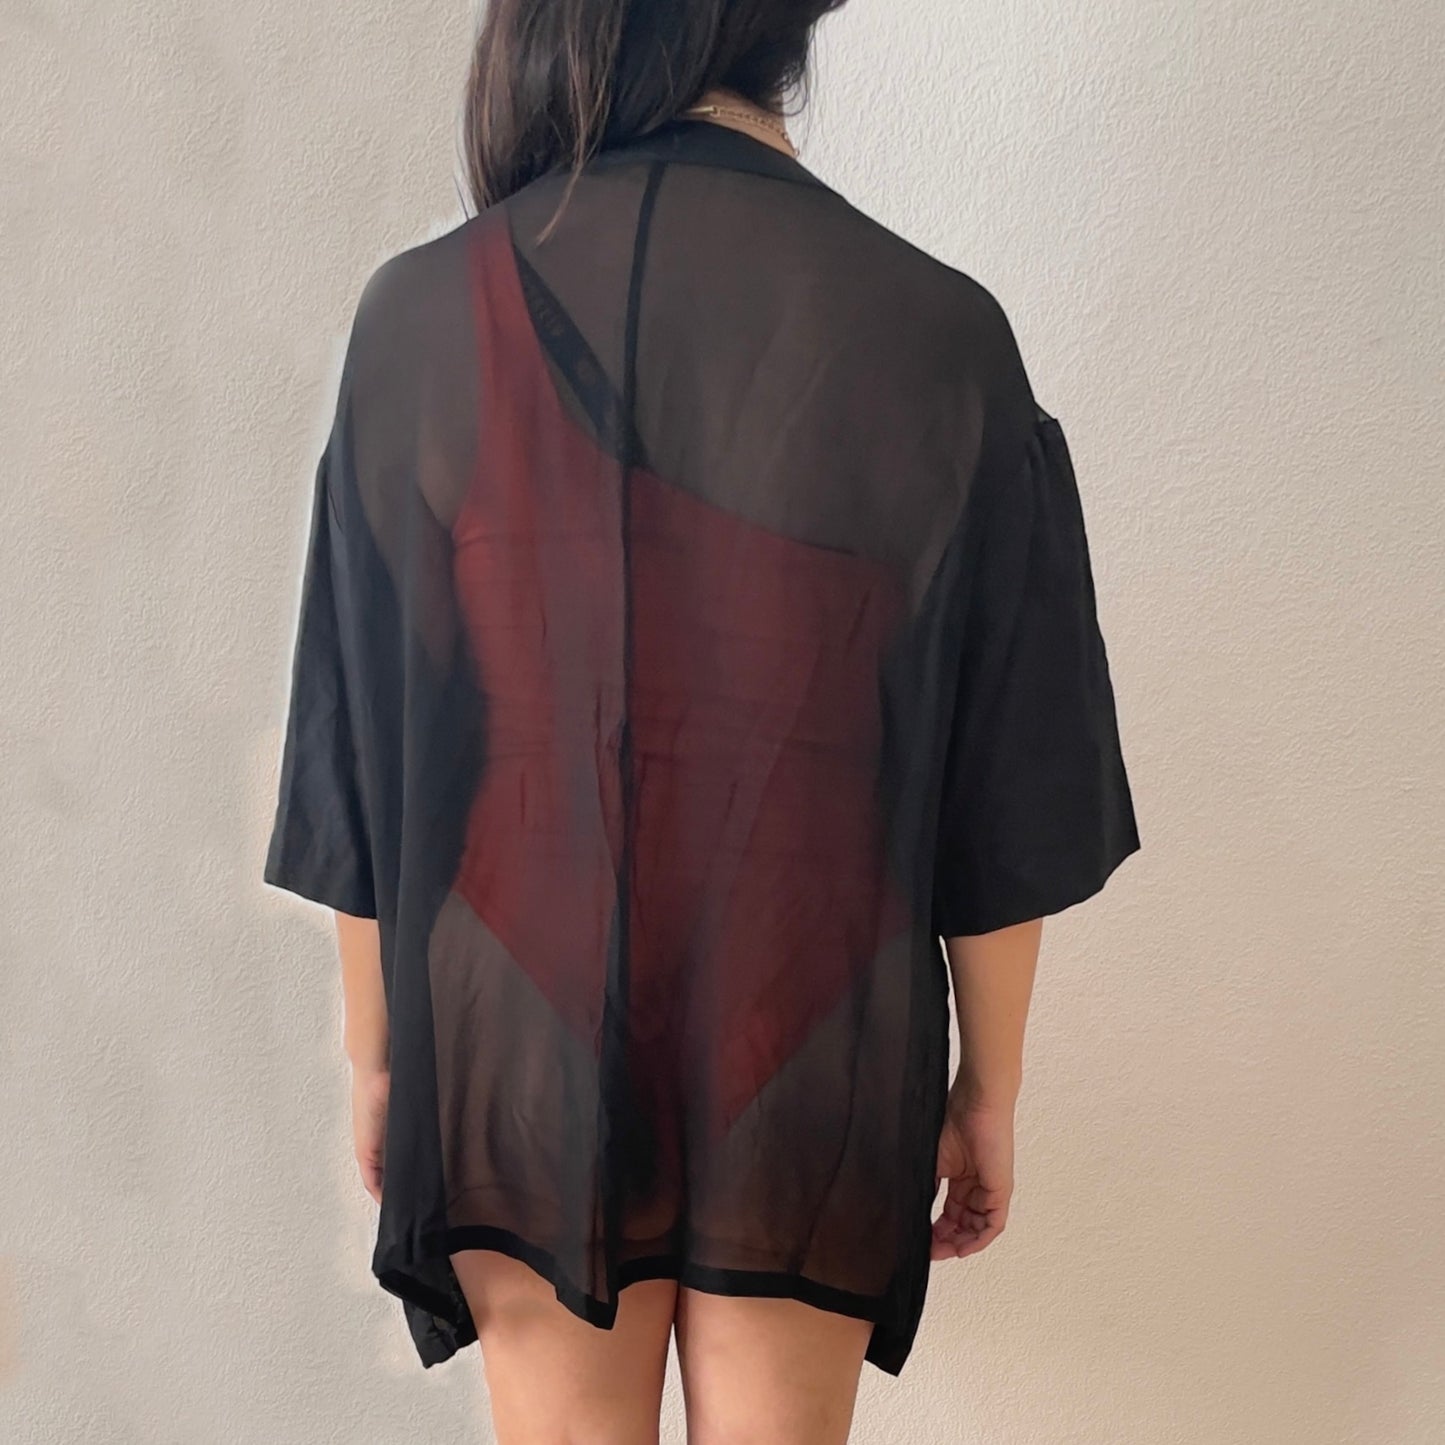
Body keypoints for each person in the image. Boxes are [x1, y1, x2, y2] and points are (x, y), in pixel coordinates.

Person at [262, 2, 1141, 1441]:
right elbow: (1011, 782)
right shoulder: (941, 329)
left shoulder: (418, 314)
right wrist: (989, 1084)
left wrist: (379, 1052)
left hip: (514, 1026)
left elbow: (362, 748)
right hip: (814, 1028)